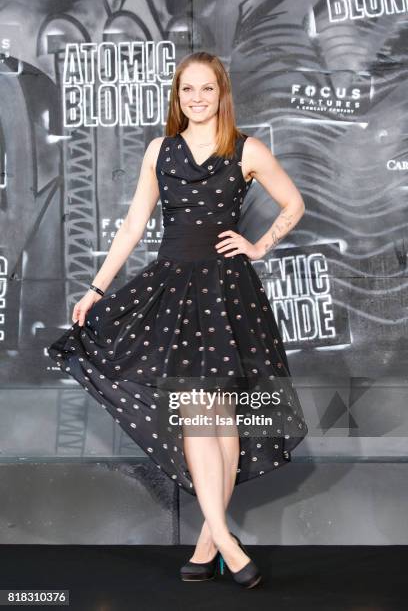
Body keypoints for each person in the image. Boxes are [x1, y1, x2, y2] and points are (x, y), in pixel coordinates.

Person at [48, 51, 308, 589]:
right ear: (178, 95)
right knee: (197, 415)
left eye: (206, 89)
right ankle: (228, 544)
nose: (196, 98)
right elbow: (131, 229)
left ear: (221, 93)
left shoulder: (247, 148)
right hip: (173, 290)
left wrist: (260, 246)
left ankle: (210, 543)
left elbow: (294, 203)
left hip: (229, 293)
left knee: (225, 418)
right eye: (187, 89)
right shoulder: (159, 151)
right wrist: (97, 288)